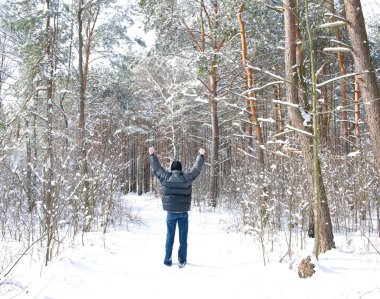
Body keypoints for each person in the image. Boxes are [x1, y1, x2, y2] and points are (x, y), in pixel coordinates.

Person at [149, 146, 205, 268]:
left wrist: (152, 155)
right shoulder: (186, 178)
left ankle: (168, 259)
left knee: (170, 236)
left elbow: (157, 169)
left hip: (171, 213)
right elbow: (196, 169)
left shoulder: (166, 178)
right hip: (183, 212)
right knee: (183, 238)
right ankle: (182, 260)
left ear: (171, 169)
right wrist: (200, 156)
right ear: (180, 169)